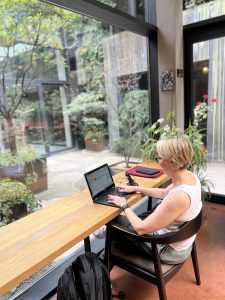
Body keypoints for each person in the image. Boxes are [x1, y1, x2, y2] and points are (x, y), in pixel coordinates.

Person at [107, 135, 202, 264]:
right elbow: (164, 193)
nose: (157, 162)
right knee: (122, 227)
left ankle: (101, 272)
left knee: (114, 223)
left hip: (167, 250)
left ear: (172, 162)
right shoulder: (190, 177)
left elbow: (141, 229)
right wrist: (136, 189)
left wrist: (124, 205)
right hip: (178, 241)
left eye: (159, 158)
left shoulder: (179, 196)